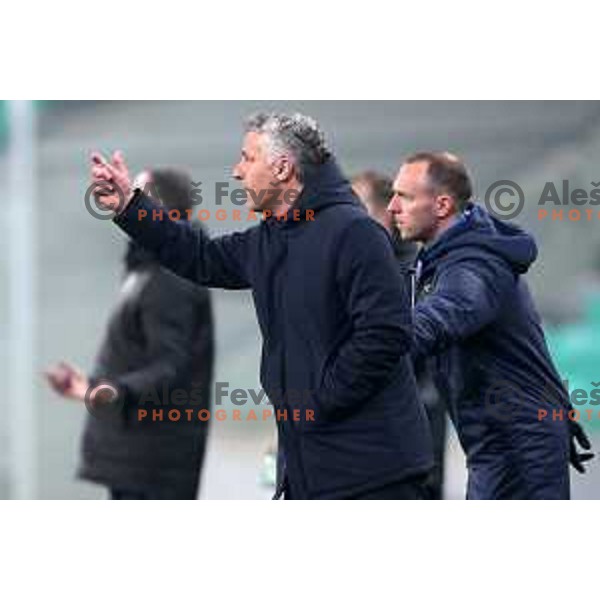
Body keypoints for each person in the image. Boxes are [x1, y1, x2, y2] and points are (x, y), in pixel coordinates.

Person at [89, 112, 434, 500]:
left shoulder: (354, 233)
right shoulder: (271, 239)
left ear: (283, 167)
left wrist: (319, 401)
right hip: (312, 472)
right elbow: (200, 257)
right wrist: (130, 207)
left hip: (374, 475)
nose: (237, 172)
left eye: (247, 158)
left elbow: (385, 334)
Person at [387, 151, 593, 499]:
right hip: (502, 442)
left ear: (441, 205)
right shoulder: (443, 259)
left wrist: (376, 341)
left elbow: (446, 313)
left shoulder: (474, 265)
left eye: (405, 196)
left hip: (518, 445)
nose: (393, 207)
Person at [46, 168, 214, 500]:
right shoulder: (147, 268)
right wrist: (90, 386)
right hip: (137, 461)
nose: (122, 200)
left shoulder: (171, 276)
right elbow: (143, 361)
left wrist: (102, 392)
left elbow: (168, 368)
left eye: (134, 192)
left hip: (154, 466)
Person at [352, 171, 447, 500]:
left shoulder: (417, 272)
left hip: (408, 438)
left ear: (386, 215)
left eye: (359, 207)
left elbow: (405, 349)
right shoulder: (342, 269)